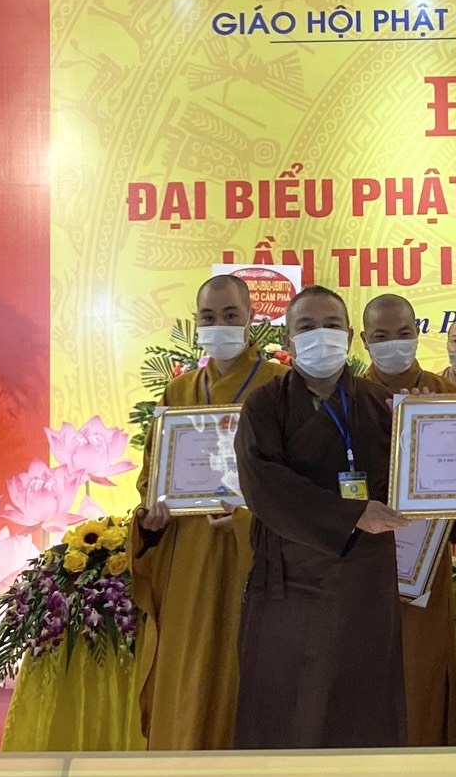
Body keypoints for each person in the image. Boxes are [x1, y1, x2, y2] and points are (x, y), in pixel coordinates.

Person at [231, 286, 408, 748]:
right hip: (292, 577)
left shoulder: (379, 403)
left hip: (364, 577)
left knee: (362, 699)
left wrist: (430, 433)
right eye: (306, 326)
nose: (320, 335)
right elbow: (263, 484)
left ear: (348, 336)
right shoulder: (264, 405)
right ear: (288, 339)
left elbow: (411, 477)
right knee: (289, 704)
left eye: (331, 325)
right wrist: (351, 514)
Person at [128, 274, 278, 751]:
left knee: (243, 667)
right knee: (188, 667)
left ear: (250, 318)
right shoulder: (179, 392)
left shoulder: (279, 385)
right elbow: (153, 475)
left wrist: (251, 512)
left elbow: (296, 477)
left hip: (255, 552)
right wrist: (152, 517)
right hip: (189, 554)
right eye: (209, 317)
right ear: (196, 322)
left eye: (231, 315)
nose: (220, 325)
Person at [359, 292, 456, 747]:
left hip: (425, 564)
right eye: (381, 336)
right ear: (364, 339)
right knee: (362, 671)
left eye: (403, 333)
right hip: (358, 562)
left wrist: (430, 427)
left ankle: (424, 764)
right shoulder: (347, 397)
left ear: (417, 332)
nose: (393, 344)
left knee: (421, 668)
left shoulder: (447, 397)